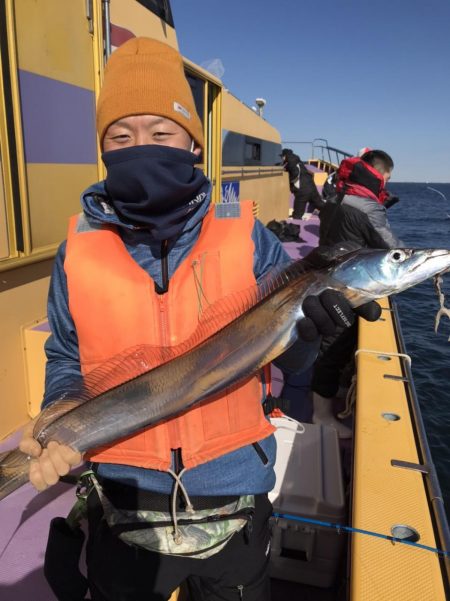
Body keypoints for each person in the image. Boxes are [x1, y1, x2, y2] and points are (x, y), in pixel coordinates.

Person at [19, 38, 379, 601]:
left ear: (191, 142)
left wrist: (314, 336)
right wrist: (60, 412)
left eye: (161, 133)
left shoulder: (246, 235)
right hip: (123, 503)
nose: (141, 148)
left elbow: (288, 351)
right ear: (103, 148)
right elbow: (66, 353)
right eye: (121, 136)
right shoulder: (78, 249)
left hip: (233, 503)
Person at [313, 150, 403, 437]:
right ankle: (321, 415)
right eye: (386, 180)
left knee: (327, 343)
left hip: (326, 274)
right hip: (349, 286)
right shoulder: (368, 206)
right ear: (381, 174)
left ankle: (331, 391)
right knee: (335, 346)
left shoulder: (337, 193)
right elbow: (392, 249)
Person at [281, 148, 324, 220]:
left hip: (302, 190)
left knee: (297, 214)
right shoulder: (297, 161)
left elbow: (295, 173)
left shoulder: (291, 162)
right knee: (319, 204)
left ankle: (296, 224)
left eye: (282, 156)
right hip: (311, 186)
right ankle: (332, 212)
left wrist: (290, 181)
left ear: (285, 156)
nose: (282, 158)